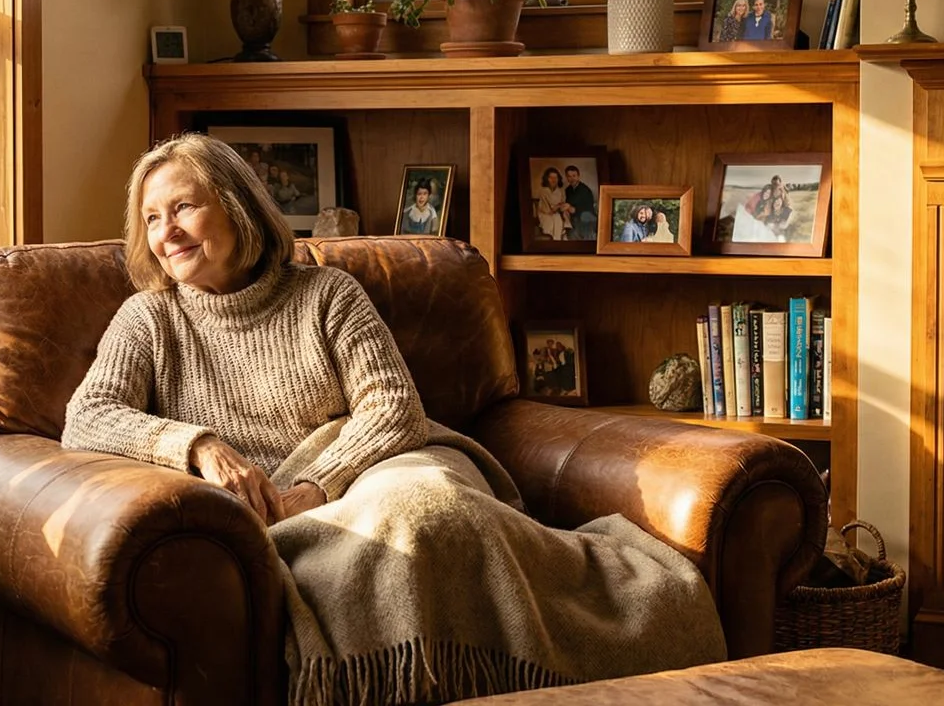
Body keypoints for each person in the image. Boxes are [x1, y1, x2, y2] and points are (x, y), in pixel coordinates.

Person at [61, 134, 723, 703]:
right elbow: (87, 417)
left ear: (236, 205)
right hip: (261, 507)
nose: (166, 232)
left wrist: (313, 488)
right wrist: (198, 446)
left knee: (427, 512)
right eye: (151, 218)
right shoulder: (149, 319)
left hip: (377, 465)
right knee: (399, 535)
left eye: (183, 207)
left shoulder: (325, 293)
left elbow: (392, 407)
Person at [562, 164, 597, 240]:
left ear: (578, 176)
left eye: (574, 176)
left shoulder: (585, 190)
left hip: (586, 217)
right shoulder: (568, 190)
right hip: (573, 217)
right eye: (569, 176)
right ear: (567, 178)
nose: (572, 179)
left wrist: (573, 209)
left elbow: (588, 209)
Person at [535, 167, 567, 240]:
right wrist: (557, 206)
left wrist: (558, 207)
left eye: (555, 177)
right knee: (551, 221)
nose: (553, 180)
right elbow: (546, 208)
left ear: (558, 179)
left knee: (557, 219)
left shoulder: (561, 191)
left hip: (557, 213)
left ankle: (557, 240)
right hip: (545, 213)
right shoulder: (543, 191)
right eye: (551, 177)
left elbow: (563, 204)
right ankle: (551, 240)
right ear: (547, 179)